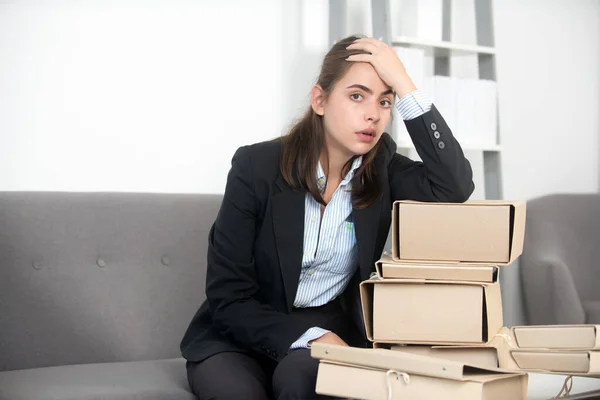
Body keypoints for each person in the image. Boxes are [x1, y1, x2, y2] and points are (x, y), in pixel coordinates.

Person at [180, 34, 474, 399]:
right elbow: (228, 296)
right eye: (356, 96)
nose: (372, 114)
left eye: (385, 101)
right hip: (240, 333)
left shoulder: (382, 168)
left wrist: (405, 84)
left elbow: (454, 186)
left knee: (303, 382)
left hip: (325, 336)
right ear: (319, 100)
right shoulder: (255, 167)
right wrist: (312, 338)